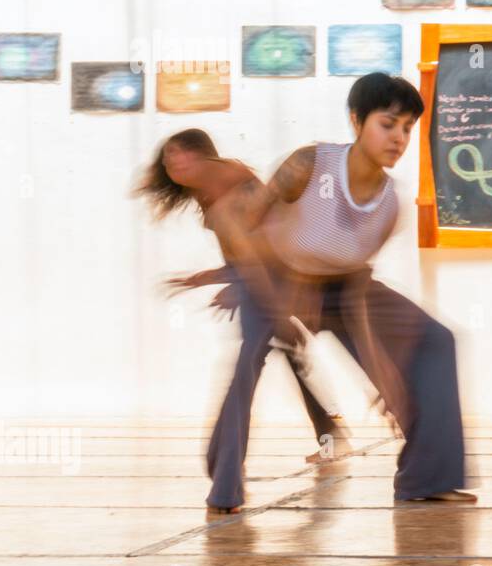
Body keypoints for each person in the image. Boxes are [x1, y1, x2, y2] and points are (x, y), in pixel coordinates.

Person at [198, 72, 473, 513]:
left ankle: (427, 477)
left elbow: (357, 288)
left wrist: (381, 374)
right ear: (356, 120)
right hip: (273, 276)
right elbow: (246, 222)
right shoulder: (309, 165)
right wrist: (239, 278)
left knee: (438, 340)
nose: (399, 138)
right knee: (249, 361)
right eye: (388, 124)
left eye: (407, 128)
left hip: (343, 290)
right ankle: (225, 486)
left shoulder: (388, 205)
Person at [136, 129, 350, 470]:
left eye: (179, 153)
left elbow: (264, 249)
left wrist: (247, 288)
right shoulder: (209, 192)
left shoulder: (232, 185)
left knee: (258, 362)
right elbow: (243, 256)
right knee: (282, 356)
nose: (172, 161)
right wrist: (210, 278)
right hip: (267, 282)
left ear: (202, 153)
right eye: (167, 157)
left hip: (281, 278)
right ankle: (328, 435)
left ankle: (225, 466)